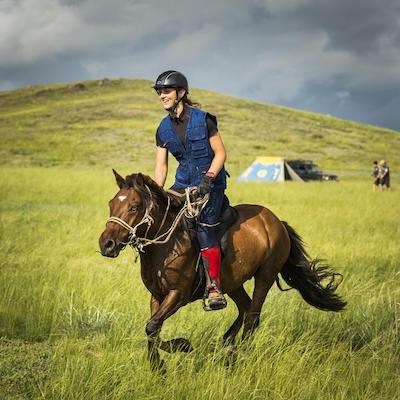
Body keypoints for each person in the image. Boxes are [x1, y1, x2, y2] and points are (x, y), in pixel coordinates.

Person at [153, 70, 228, 310]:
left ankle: (215, 289)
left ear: (181, 93)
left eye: (166, 91)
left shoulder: (203, 119)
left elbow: (221, 153)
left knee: (204, 228)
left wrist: (208, 179)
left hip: (211, 185)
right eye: (160, 92)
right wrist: (157, 193)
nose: (162, 96)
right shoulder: (162, 129)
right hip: (182, 184)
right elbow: (161, 168)